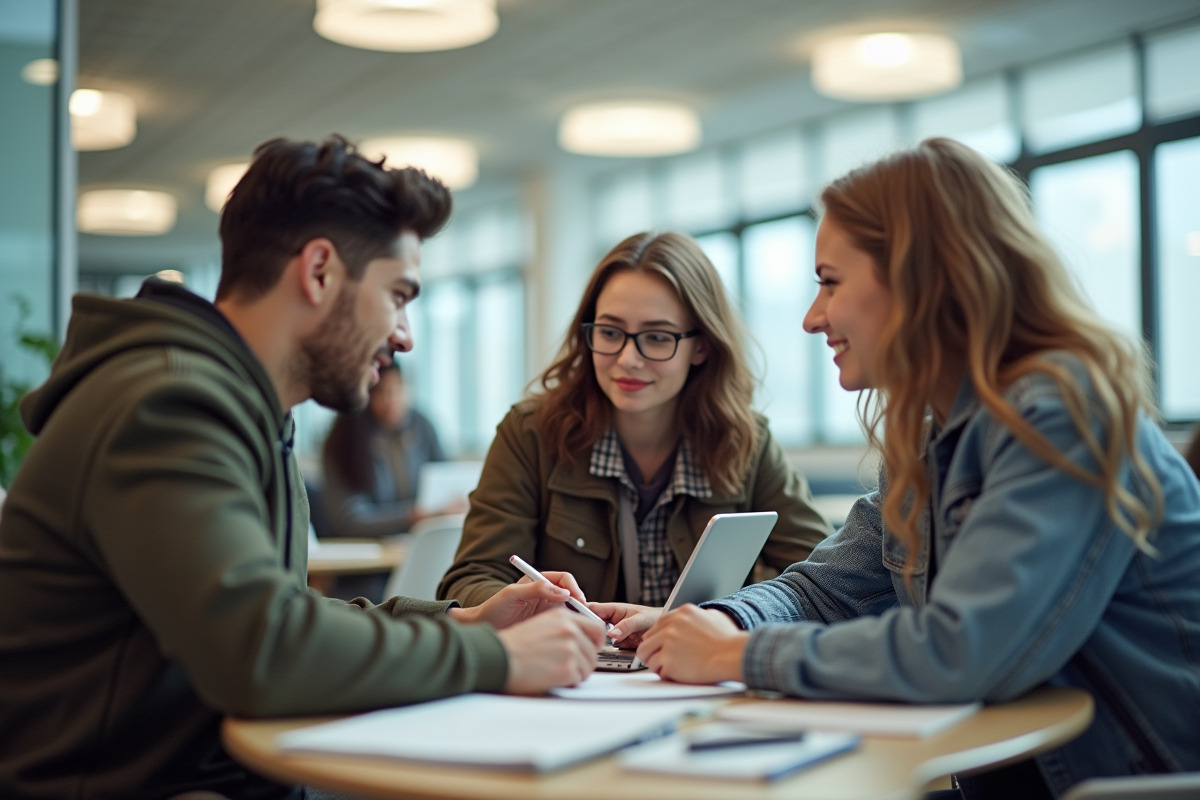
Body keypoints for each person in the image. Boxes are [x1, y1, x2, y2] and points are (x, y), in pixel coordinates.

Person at [0, 135, 603, 800]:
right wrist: (498, 659)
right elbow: (262, 650)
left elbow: (280, 616)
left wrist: (464, 622)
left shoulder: (244, 406)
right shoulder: (169, 404)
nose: (405, 335)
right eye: (398, 295)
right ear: (319, 271)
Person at [599, 138, 1200, 798]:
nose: (811, 317)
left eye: (830, 281)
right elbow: (827, 591)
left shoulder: (1059, 413)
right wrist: (718, 623)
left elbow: (966, 653)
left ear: (922, 280)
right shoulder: (933, 437)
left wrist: (736, 655)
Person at [438, 231, 832, 610]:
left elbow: (821, 578)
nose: (627, 359)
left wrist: (730, 613)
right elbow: (470, 578)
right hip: (573, 666)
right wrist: (527, 606)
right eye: (610, 332)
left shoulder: (745, 440)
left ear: (702, 347)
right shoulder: (531, 434)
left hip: (700, 669)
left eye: (657, 338)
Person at [321, 359, 460, 539]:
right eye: (382, 392)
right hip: (363, 555)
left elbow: (444, 480)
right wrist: (411, 517)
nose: (392, 400)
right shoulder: (345, 438)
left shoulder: (422, 426)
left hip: (418, 543)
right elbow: (349, 521)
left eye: (398, 389)